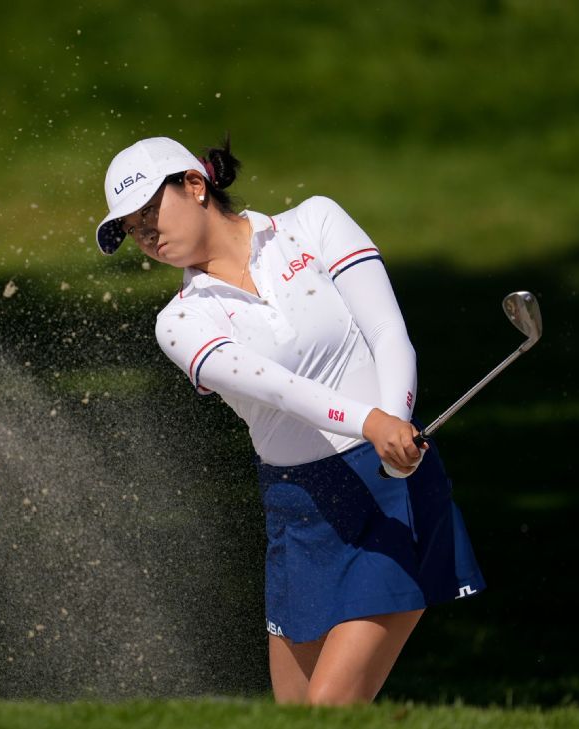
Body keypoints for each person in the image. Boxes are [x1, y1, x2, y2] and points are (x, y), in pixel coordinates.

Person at [93, 137, 485, 705]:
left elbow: (388, 333)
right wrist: (372, 423)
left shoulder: (313, 223)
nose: (146, 235)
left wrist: (395, 426)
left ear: (195, 186)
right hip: (299, 505)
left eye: (150, 212)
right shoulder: (178, 321)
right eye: (133, 229)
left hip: (389, 486)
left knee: (329, 709)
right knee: (293, 714)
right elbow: (278, 389)